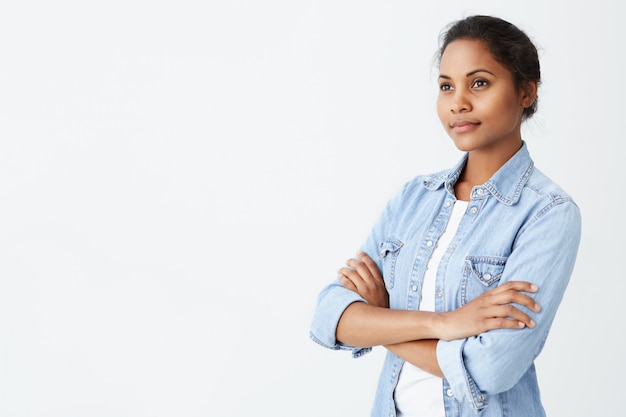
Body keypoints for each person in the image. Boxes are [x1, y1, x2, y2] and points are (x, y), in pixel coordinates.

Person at [309, 15, 581, 417]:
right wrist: (444, 324)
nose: (458, 102)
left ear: (526, 91)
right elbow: (328, 317)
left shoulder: (548, 213)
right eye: (446, 86)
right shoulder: (413, 198)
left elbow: (492, 368)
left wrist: (382, 322)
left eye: (480, 83)